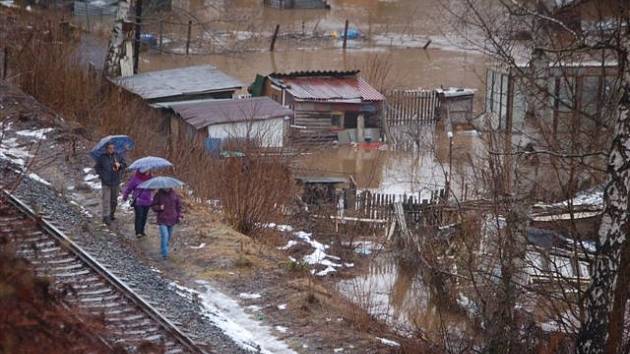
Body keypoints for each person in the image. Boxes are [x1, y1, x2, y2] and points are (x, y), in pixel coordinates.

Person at [94, 142, 126, 225]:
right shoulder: (102, 157)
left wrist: (120, 165)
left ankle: (111, 214)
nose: (111, 150)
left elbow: (124, 164)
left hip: (115, 181)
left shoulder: (117, 156)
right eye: (109, 148)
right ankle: (106, 217)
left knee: (114, 201)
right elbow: (97, 168)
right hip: (106, 182)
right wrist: (102, 175)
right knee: (106, 200)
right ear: (106, 149)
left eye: (113, 148)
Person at [151, 188, 182, 259]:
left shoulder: (174, 194)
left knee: (168, 237)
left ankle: (164, 248)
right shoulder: (158, 195)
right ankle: (165, 253)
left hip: (172, 219)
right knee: (165, 236)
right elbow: (153, 206)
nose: (167, 188)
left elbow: (178, 206)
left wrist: (179, 216)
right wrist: (159, 207)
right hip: (162, 219)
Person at [122, 169, 153, 238]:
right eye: (146, 170)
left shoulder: (151, 179)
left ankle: (142, 231)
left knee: (144, 217)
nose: (148, 172)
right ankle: (138, 232)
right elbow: (129, 188)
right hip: (138, 201)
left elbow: (152, 189)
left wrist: (151, 187)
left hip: (147, 201)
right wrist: (125, 196)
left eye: (148, 170)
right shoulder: (135, 179)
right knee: (139, 216)